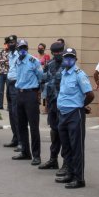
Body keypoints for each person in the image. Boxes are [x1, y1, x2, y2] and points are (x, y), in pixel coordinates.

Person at [54, 48, 94, 189]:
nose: (68, 60)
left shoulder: (79, 74)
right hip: (63, 114)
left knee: (76, 147)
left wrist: (80, 105)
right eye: (66, 57)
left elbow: (90, 95)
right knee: (66, 147)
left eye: (71, 58)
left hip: (74, 114)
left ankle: (79, 178)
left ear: (75, 59)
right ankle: (69, 173)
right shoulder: (64, 73)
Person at [12, 39, 43, 165]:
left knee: (33, 126)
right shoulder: (17, 61)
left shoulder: (33, 61)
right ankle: (25, 152)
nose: (23, 50)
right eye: (21, 48)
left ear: (27, 48)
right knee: (21, 125)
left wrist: (37, 92)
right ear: (18, 49)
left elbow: (41, 76)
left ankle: (36, 155)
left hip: (31, 94)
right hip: (19, 93)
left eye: (25, 47)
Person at [38, 42, 66, 171]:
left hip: (65, 105)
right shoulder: (49, 65)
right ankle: (53, 159)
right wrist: (45, 98)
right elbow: (43, 81)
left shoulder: (68, 65)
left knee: (64, 133)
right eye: (55, 52)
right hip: (53, 104)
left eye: (59, 52)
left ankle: (67, 163)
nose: (57, 54)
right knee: (54, 132)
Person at [3, 35, 20, 149]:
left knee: (16, 113)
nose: (11, 44)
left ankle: (21, 141)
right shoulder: (10, 54)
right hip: (9, 83)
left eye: (13, 42)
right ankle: (15, 138)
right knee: (11, 112)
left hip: (16, 84)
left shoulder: (19, 54)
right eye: (9, 42)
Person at [0, 41, 10, 110]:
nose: (6, 45)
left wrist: (3, 61)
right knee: (1, 91)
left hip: (8, 74)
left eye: (7, 44)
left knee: (8, 91)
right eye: (5, 44)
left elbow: (10, 63)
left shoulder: (11, 53)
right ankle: (0, 105)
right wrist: (6, 60)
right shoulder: (1, 52)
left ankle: (9, 106)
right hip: (1, 73)